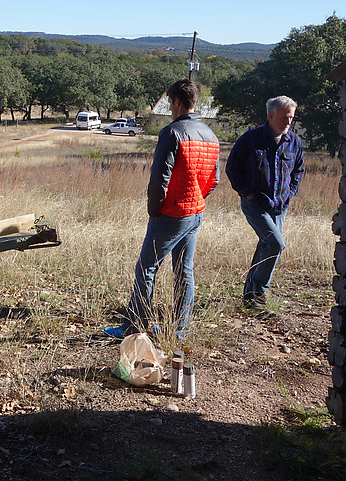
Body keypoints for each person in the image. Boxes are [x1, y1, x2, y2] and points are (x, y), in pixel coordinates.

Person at [105, 79, 220, 340]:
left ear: (177, 101)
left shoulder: (173, 132)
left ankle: (133, 326)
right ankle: (179, 330)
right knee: (184, 270)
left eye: (169, 102)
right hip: (195, 212)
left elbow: (159, 177)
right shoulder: (211, 136)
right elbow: (214, 180)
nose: (169, 107)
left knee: (147, 268)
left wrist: (154, 209)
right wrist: (197, 198)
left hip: (172, 213)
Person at [225, 96, 305, 308]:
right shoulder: (251, 139)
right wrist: (247, 192)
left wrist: (291, 192)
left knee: (266, 245)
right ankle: (260, 294)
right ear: (271, 116)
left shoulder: (294, 142)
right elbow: (232, 168)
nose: (289, 122)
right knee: (276, 244)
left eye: (292, 117)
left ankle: (250, 297)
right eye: (285, 117)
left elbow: (298, 170)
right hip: (256, 204)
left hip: (280, 205)